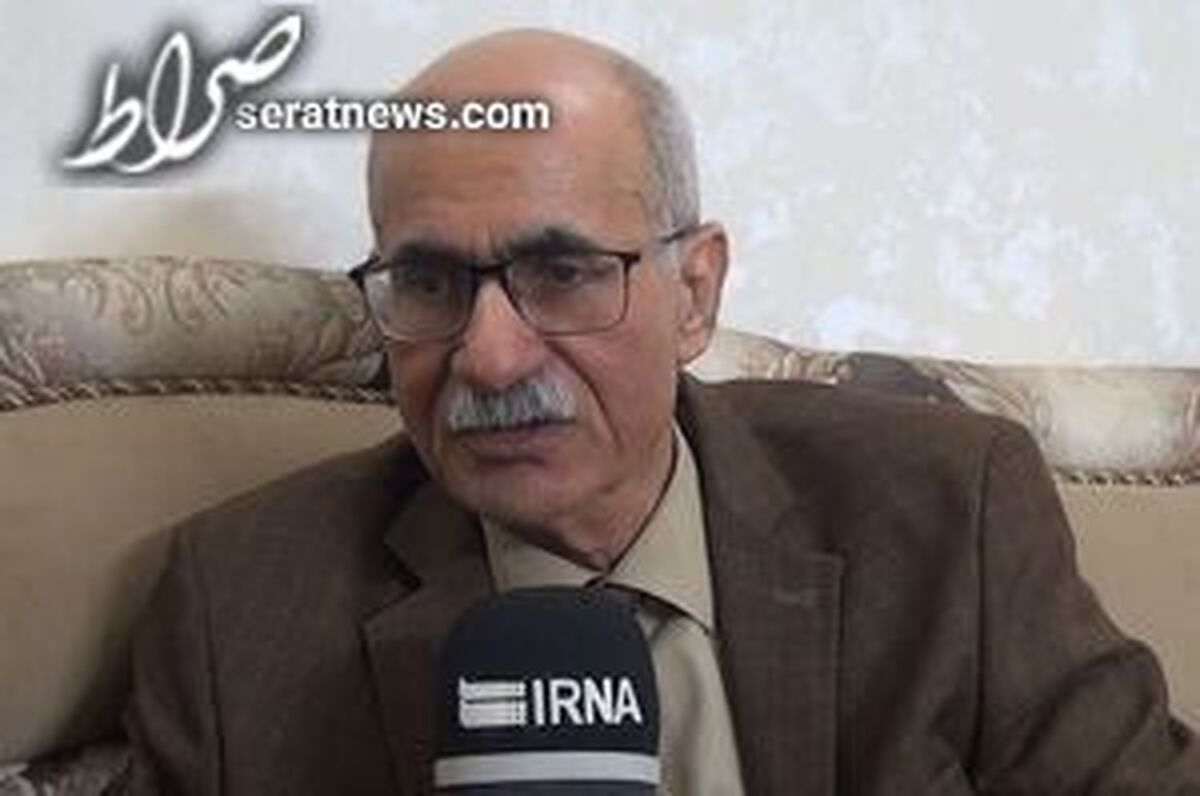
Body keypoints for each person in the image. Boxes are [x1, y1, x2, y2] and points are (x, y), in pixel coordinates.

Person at [120, 28, 1200, 795]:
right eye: (431, 282)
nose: (487, 356)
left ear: (695, 293)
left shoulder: (949, 513)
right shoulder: (239, 605)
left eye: (562, 272)